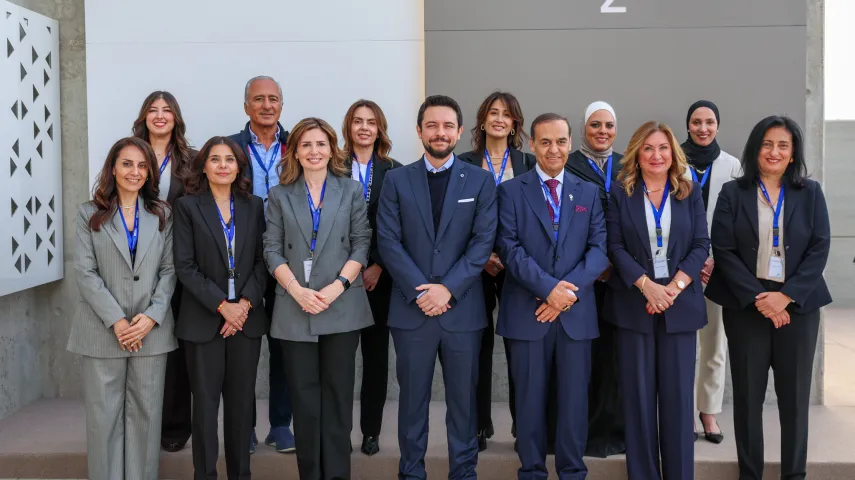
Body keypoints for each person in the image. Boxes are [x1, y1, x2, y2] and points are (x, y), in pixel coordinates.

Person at [377, 95, 497, 480]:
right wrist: (421, 291)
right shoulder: (396, 180)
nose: (439, 132)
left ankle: (464, 473)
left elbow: (482, 242)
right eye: (432, 125)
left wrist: (447, 289)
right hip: (411, 312)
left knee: (463, 404)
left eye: (447, 126)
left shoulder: (480, 180)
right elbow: (388, 242)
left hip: (462, 311)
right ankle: (411, 473)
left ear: (459, 132)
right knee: (412, 403)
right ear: (419, 131)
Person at [705, 116, 831, 480]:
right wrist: (760, 298)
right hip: (747, 306)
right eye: (767, 144)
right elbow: (724, 249)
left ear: (793, 154)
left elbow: (819, 247)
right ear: (755, 149)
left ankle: (794, 475)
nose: (774, 152)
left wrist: (786, 296)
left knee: (794, 401)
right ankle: (750, 474)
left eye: (783, 145)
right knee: (747, 400)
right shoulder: (733, 193)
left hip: (798, 307)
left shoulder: (810, 193)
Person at [496, 112, 608, 479]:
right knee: (529, 401)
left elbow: (599, 250)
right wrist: (548, 290)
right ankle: (531, 471)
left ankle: (572, 472)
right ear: (532, 145)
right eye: (545, 142)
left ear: (570, 143)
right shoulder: (511, 191)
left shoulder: (588, 192)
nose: (553, 149)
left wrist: (565, 294)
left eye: (561, 141)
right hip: (527, 312)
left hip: (575, 315)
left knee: (574, 402)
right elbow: (509, 248)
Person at [264, 117, 373, 479]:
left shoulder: (351, 190)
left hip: (341, 304)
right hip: (295, 306)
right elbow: (271, 249)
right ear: (295, 151)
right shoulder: (279, 195)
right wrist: (297, 290)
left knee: (339, 397)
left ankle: (338, 474)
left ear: (332, 149)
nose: (314, 151)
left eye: (321, 144)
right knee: (305, 400)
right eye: (306, 145)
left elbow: (361, 243)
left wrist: (338, 285)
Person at [67, 137, 176, 480]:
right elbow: (85, 272)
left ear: (150, 173)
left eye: (142, 166)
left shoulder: (162, 214)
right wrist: (117, 320)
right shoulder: (89, 213)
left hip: (150, 331)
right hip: (102, 330)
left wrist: (152, 317)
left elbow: (169, 271)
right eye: (127, 164)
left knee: (146, 417)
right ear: (112, 168)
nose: (135, 172)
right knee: (104, 418)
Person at [605, 121, 709, 479]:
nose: (656, 155)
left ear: (673, 152)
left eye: (663, 147)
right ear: (636, 153)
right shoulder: (620, 192)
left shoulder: (689, 191)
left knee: (678, 400)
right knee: (638, 400)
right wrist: (646, 286)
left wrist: (673, 288)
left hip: (680, 306)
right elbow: (615, 247)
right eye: (648, 148)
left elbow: (701, 244)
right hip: (634, 305)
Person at [172, 136, 268, 480]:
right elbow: (184, 266)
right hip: (203, 321)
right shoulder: (187, 207)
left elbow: (263, 261)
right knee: (205, 408)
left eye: (230, 159)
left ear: (239, 167)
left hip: (245, 321)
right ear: (203, 166)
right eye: (215, 159)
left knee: (241, 408)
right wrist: (222, 306)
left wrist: (243, 305)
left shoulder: (254, 206)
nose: (223, 165)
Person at [457, 91, 535, 452]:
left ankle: (523, 425)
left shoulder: (528, 163)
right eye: (493, 112)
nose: (499, 119)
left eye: (506, 114)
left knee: (519, 346)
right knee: (478, 346)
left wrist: (506, 254)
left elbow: (534, 219)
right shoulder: (464, 163)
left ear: (515, 123)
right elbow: (456, 220)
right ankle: (478, 425)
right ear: (482, 120)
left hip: (517, 266)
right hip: (474, 267)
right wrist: (483, 255)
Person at [228, 75, 294, 453]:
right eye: (258, 99)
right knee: (245, 347)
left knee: (284, 343)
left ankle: (281, 424)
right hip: (244, 257)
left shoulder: (297, 144)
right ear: (246, 106)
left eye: (273, 99)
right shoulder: (230, 147)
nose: (266, 105)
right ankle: (246, 426)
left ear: (281, 105)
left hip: (288, 257)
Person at [132, 90, 196, 453]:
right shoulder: (129, 154)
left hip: (181, 263)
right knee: (142, 343)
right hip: (136, 263)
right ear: (144, 116)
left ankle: (174, 427)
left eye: (167, 110)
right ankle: (140, 424)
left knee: (176, 349)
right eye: (153, 110)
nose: (160, 115)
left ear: (176, 118)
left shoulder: (192, 160)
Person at [342, 99, 404, 456]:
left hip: (380, 278)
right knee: (339, 359)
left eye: (371, 122)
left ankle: (371, 431)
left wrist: (378, 263)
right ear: (348, 127)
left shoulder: (395, 171)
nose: (364, 127)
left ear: (379, 128)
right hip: (339, 279)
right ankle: (340, 431)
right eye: (357, 121)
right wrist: (346, 270)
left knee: (376, 358)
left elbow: (399, 225)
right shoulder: (332, 166)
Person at [564, 101, 626, 457]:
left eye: (609, 125)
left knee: (612, 358)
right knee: (580, 359)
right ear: (583, 128)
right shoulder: (568, 163)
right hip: (580, 277)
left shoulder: (627, 165)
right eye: (595, 125)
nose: (603, 131)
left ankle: (609, 431)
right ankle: (576, 431)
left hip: (618, 278)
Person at [680, 100, 741, 444]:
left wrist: (716, 258)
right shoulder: (672, 159)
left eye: (709, 122)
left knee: (715, 344)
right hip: (680, 268)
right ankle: (685, 411)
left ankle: (709, 412)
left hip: (718, 268)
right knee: (683, 345)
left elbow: (738, 219)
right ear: (687, 125)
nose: (703, 128)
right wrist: (691, 260)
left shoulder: (732, 165)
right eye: (696, 121)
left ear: (717, 125)